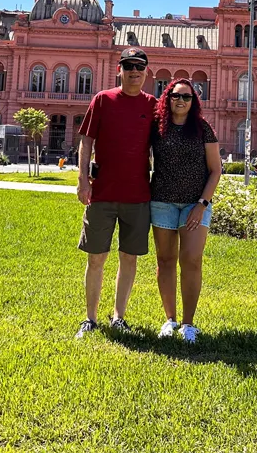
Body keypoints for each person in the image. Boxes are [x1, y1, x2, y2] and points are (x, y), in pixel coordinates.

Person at [75, 47, 157, 338]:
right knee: (96, 257)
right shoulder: (103, 100)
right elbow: (86, 141)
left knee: (129, 258)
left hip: (138, 194)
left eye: (139, 66)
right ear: (119, 69)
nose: (134, 71)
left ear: (147, 71)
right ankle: (90, 318)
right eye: (129, 66)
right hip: (102, 193)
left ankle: (119, 316)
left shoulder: (153, 106)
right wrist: (82, 179)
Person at [150, 79, 221, 343]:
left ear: (194, 101)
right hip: (162, 202)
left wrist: (202, 205)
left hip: (195, 204)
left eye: (187, 97)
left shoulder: (202, 128)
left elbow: (215, 170)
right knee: (165, 261)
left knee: (191, 260)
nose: (181, 101)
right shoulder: (157, 128)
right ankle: (170, 320)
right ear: (167, 98)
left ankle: (189, 324)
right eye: (176, 96)